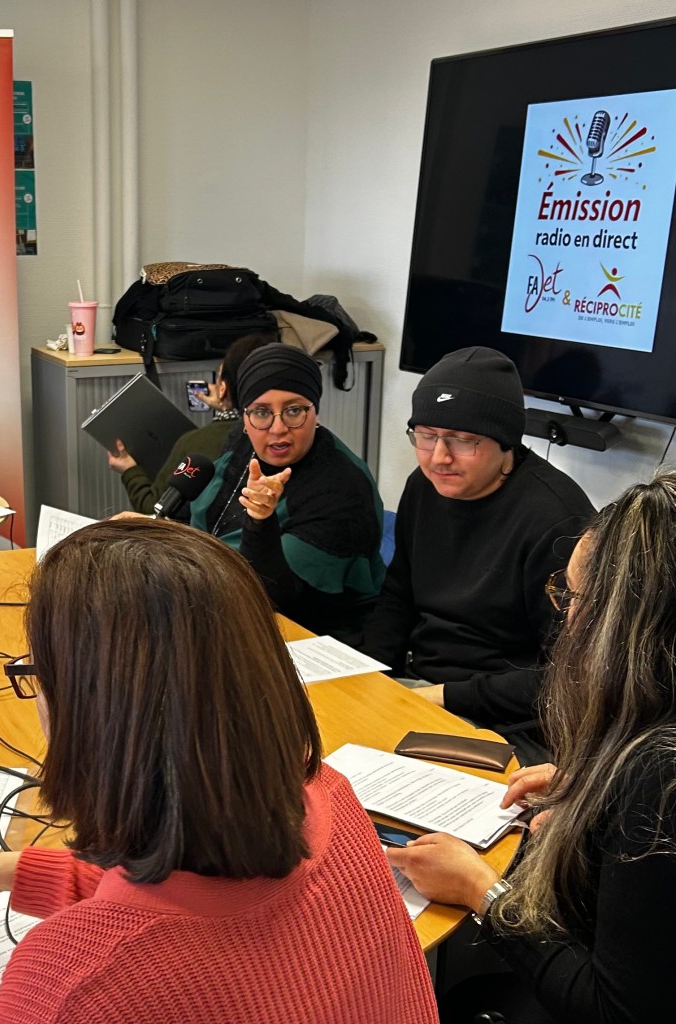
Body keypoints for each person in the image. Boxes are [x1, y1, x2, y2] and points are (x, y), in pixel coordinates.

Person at [0, 519, 438, 1024]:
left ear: (93, 710)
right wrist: (11, 871)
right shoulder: (332, 798)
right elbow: (197, 903)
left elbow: (153, 940)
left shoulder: (72, 985)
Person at [387, 472, 676, 1023]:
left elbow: (616, 1010)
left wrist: (480, 889)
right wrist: (593, 792)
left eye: (574, 598)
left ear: (624, 621)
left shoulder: (659, 776)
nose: (566, 619)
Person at [360, 346, 593, 739]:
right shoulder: (424, 486)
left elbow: (568, 673)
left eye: (462, 440)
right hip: (418, 686)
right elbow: (398, 596)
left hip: (504, 718)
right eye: (426, 436)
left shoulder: (558, 520)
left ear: (506, 441)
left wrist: (441, 696)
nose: (439, 457)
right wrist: (367, 676)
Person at [188, 342, 384, 639]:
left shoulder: (343, 489)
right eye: (261, 412)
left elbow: (274, 595)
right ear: (244, 419)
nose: (278, 428)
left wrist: (259, 522)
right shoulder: (242, 444)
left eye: (294, 411)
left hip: (312, 635)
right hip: (218, 600)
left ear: (316, 413)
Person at [106, 332, 274, 513]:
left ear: (223, 389)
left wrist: (129, 470)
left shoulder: (194, 443)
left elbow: (154, 509)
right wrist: (226, 406)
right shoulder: (280, 438)